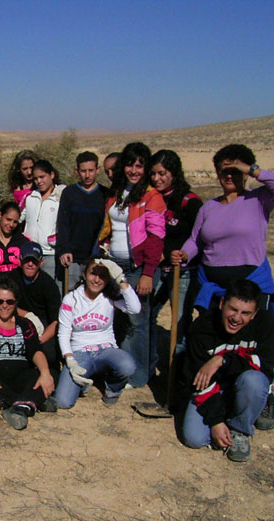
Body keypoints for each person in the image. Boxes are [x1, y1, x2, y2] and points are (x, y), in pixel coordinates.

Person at [171, 144, 274, 315]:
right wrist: (184, 254)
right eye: (224, 171)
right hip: (212, 285)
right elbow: (195, 240)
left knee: (250, 337)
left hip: (250, 283)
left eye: (235, 171)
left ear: (245, 173)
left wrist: (251, 169)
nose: (229, 176)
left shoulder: (259, 199)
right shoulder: (208, 208)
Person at [180, 280, 274, 462]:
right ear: (221, 304)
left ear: (254, 314)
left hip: (244, 383)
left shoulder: (267, 324)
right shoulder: (202, 328)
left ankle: (239, 429)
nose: (236, 318)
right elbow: (197, 378)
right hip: (213, 388)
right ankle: (227, 417)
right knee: (195, 439)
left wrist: (222, 360)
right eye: (232, 309)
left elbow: (264, 366)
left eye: (246, 313)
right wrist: (216, 421)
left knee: (255, 381)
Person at [97, 142, 166, 389]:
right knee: (122, 319)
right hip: (115, 264)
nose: (134, 170)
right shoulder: (117, 192)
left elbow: (157, 237)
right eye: (130, 164)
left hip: (138, 266)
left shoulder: (151, 196)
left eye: (140, 166)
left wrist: (148, 273)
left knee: (138, 322)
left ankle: (139, 376)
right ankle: (125, 368)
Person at [0, 278, 57, 430]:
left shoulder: (25, 324)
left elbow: (35, 351)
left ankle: (19, 407)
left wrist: (45, 373)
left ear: (16, 302)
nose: (4, 306)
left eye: (9, 302)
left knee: (50, 373)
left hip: (19, 374)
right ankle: (30, 402)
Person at [54, 258, 140, 408]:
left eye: (103, 276)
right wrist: (70, 361)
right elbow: (63, 333)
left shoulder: (110, 297)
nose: (97, 280)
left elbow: (135, 308)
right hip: (80, 352)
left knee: (127, 365)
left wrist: (121, 278)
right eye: (93, 274)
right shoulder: (71, 299)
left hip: (106, 349)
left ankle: (112, 389)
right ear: (85, 275)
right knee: (63, 402)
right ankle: (84, 381)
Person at [148, 150, 203, 369]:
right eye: (153, 173)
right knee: (148, 314)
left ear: (174, 173)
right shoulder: (153, 199)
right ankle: (150, 365)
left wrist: (177, 252)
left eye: (162, 173)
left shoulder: (190, 202)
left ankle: (178, 370)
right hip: (158, 268)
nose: (157, 178)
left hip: (184, 271)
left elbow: (198, 237)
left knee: (179, 321)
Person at [56, 151, 109, 290]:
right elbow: (63, 223)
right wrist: (64, 249)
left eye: (91, 171)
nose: (87, 175)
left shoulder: (105, 194)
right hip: (72, 257)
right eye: (83, 171)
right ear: (77, 171)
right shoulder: (69, 193)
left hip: (96, 257)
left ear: (97, 170)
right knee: (70, 295)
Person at [8, 241, 61, 373]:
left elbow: (56, 321)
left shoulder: (49, 285)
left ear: (41, 262)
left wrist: (40, 339)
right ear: (20, 260)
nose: (30, 264)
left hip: (44, 327)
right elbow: (3, 304)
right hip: (18, 320)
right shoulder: (12, 278)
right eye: (26, 260)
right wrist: (26, 314)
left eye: (34, 261)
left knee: (49, 354)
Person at [22, 160, 65, 280]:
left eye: (42, 177)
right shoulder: (30, 197)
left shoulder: (61, 196)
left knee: (51, 288)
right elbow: (16, 216)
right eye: (35, 178)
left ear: (52, 175)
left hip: (50, 254)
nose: (39, 181)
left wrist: (55, 238)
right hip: (30, 253)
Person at [0, 150, 39, 235]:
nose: (29, 172)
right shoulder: (17, 189)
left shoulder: (41, 184)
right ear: (18, 170)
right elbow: (16, 212)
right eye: (25, 169)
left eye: (31, 167)